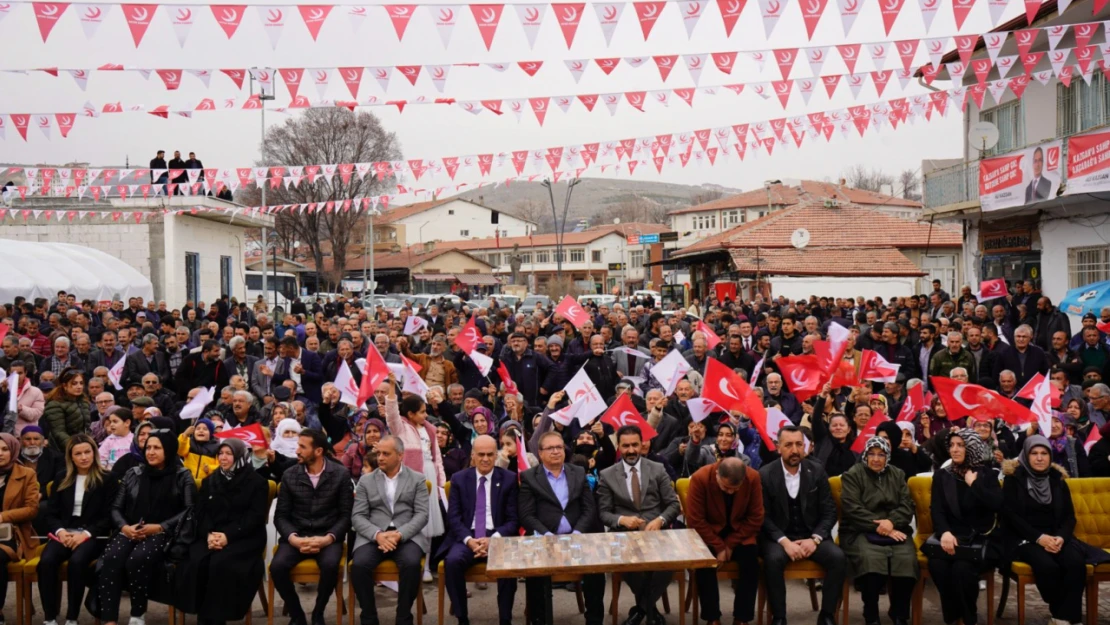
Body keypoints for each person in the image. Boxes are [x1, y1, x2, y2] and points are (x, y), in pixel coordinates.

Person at [98, 427, 196, 625]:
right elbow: (116, 508)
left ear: (168, 449)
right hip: (131, 529)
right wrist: (125, 528)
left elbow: (190, 511)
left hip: (165, 532)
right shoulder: (133, 473)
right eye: (148, 447)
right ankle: (109, 620)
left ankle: (137, 614)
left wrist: (160, 527)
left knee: (138, 559)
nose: (150, 452)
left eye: (157, 448)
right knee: (111, 558)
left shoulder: (182, 475)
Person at [175, 438, 269, 625]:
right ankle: (204, 615)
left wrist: (228, 536)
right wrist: (209, 534)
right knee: (196, 561)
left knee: (221, 564)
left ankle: (216, 619)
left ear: (240, 456)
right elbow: (200, 513)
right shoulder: (211, 481)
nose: (223, 458)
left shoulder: (257, 482)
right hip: (212, 535)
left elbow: (254, 517)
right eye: (220, 453)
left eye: (228, 454)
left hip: (244, 537)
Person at [758, 426, 845, 625]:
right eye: (788, 445)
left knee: (838, 558)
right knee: (772, 560)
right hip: (779, 537)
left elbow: (829, 511)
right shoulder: (765, 474)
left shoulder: (816, 470)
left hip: (811, 535)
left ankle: (827, 616)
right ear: (778, 447)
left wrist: (815, 539)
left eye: (799, 444)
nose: (795, 450)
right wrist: (785, 541)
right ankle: (779, 617)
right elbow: (762, 516)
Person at [597, 425, 681, 625]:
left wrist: (660, 520)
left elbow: (673, 504)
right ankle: (651, 610)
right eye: (626, 446)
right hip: (625, 535)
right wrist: (620, 520)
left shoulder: (657, 469)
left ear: (642, 444)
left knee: (669, 563)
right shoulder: (607, 475)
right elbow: (603, 512)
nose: (631, 450)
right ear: (619, 446)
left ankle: (641, 610)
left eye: (635, 444)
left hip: (655, 532)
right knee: (629, 563)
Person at [518, 430, 605, 625]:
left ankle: (594, 620)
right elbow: (526, 515)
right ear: (540, 453)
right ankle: (540, 619)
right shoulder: (530, 477)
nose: (556, 451)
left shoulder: (578, 473)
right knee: (535, 572)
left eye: (559, 447)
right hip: (545, 538)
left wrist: (577, 533)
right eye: (550, 448)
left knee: (596, 570)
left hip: (577, 537)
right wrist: (547, 535)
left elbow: (589, 508)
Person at [270, 428, 353, 625]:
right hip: (297, 536)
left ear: (318, 451)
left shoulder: (340, 474)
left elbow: (346, 515)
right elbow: (281, 516)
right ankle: (297, 614)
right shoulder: (290, 475)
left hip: (327, 536)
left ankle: (318, 612)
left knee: (330, 565)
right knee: (277, 567)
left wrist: (328, 538)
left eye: (302, 447)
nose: (297, 450)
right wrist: (294, 539)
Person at [1002, 436, 1086, 625]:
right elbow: (1011, 517)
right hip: (1024, 538)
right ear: (1025, 455)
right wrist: (1039, 538)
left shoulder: (1057, 480)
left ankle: (1064, 619)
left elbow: (1069, 517)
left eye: (1044, 453)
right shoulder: (1013, 480)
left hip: (1056, 537)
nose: (1039, 458)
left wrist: (1060, 538)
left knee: (1075, 562)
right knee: (1048, 566)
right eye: (1034, 453)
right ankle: (1062, 614)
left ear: (1050, 456)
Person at [349, 436, 429, 625]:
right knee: (359, 565)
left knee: (411, 564)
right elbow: (357, 516)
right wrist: (378, 535)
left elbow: (422, 515)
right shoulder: (366, 481)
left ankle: (403, 617)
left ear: (400, 455)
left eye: (386, 453)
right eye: (378, 453)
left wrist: (400, 534)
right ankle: (369, 618)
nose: (380, 457)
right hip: (374, 536)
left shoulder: (417, 479)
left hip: (406, 535)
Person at [839, 437, 918, 625]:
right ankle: (871, 614)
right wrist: (882, 527)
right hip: (859, 530)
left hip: (896, 528)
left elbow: (907, 505)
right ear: (865, 455)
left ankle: (899, 614)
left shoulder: (897, 474)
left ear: (887, 456)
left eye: (881, 455)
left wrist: (891, 522)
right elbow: (852, 508)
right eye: (872, 454)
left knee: (907, 560)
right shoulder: (853, 474)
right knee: (871, 561)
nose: (876, 459)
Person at [441, 435, 518, 625]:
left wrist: (495, 538)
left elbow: (513, 519)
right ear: (472, 456)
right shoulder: (459, 479)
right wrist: (469, 540)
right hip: (467, 536)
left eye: (490, 454)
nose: (485, 459)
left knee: (507, 565)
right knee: (452, 562)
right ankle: (462, 617)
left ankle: (505, 619)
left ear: (496, 455)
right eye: (481, 454)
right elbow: (454, 517)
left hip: (497, 535)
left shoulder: (508, 479)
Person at [928, 429, 1003, 625]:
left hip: (980, 540)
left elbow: (997, 505)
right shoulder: (943, 476)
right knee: (938, 565)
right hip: (951, 537)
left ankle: (969, 618)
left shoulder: (987, 474)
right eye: (952, 445)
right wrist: (944, 532)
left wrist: (974, 485)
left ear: (971, 447)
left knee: (961, 569)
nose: (954, 450)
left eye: (960, 445)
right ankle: (954, 618)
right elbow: (937, 510)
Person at [38, 434, 110, 625]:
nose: (84, 457)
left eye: (87, 452)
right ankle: (50, 618)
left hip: (93, 534)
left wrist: (85, 535)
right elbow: (50, 513)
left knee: (77, 562)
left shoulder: (106, 478)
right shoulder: (62, 477)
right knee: (47, 561)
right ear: (71, 456)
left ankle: (72, 618)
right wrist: (61, 531)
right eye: (78, 453)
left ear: (94, 453)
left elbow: (109, 516)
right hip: (65, 532)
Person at [686, 456, 764, 625]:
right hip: (709, 532)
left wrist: (729, 544)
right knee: (705, 563)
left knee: (751, 563)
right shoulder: (701, 478)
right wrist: (719, 546)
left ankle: (742, 618)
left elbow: (756, 517)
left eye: (735, 489)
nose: (730, 492)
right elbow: (695, 520)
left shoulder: (753, 478)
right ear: (717, 475)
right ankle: (712, 617)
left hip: (740, 533)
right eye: (726, 487)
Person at [383, 373, 446, 581]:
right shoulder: (400, 427)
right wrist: (392, 385)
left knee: (427, 523)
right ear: (409, 414)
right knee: (408, 521)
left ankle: (426, 566)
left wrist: (440, 484)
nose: (425, 416)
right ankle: (406, 564)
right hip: (409, 479)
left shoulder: (431, 430)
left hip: (429, 476)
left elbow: (438, 460)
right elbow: (391, 412)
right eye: (421, 412)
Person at [42, 368, 90, 452]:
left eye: (81, 383)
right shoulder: (54, 404)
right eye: (74, 383)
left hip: (82, 446)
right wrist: (74, 447)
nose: (79, 386)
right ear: (65, 386)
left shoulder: (83, 402)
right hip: (61, 450)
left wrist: (88, 443)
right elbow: (59, 432)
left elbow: (86, 428)